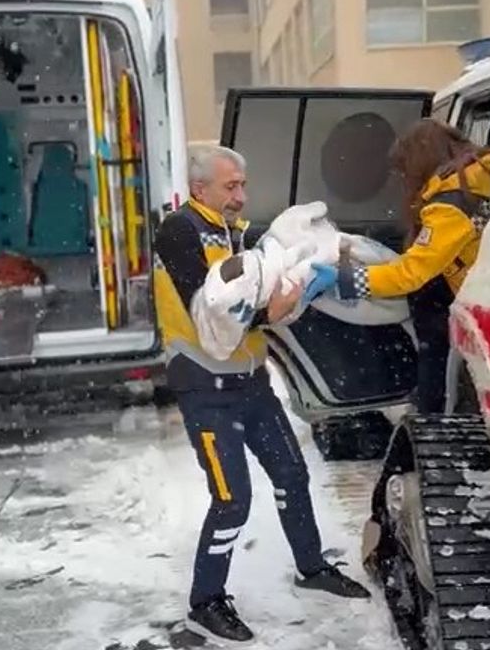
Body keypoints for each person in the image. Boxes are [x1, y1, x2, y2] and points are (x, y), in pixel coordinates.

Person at [153, 144, 371, 644]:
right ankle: (206, 602)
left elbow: (272, 272)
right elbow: (211, 310)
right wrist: (273, 308)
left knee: (293, 475)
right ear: (200, 188)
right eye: (231, 187)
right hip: (205, 389)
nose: (241, 196)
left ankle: (312, 568)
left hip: (252, 384)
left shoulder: (237, 231)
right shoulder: (180, 230)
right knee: (232, 500)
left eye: (243, 186)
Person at [334, 119, 490, 415]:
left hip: (482, 310)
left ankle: (433, 414)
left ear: (419, 163)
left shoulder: (449, 205)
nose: (404, 180)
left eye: (404, 171)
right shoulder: (481, 176)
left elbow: (411, 273)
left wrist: (348, 281)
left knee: (436, 360)